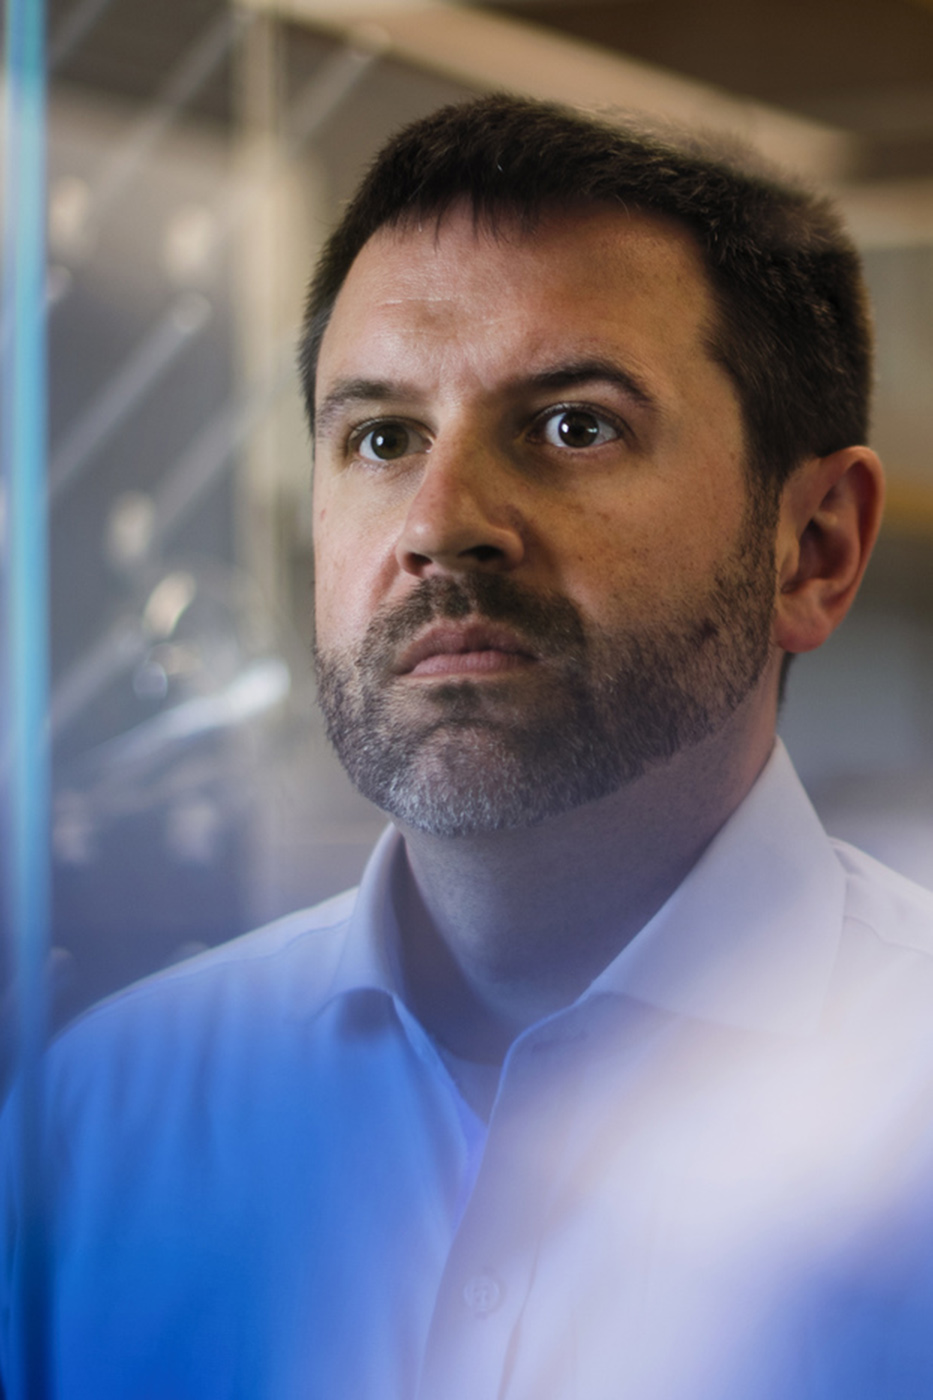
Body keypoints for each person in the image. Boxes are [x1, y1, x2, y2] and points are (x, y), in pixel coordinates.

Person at [3, 93, 933, 1400]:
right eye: (381, 438)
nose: (438, 524)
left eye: (572, 425)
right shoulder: (104, 1116)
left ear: (814, 546)